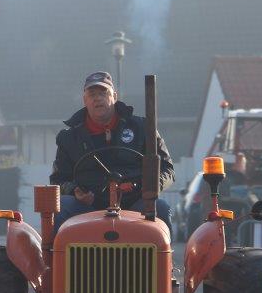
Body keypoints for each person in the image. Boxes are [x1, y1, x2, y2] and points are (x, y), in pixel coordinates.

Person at [50, 71, 175, 232]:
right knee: (62, 208)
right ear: (85, 100)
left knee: (161, 209)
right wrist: (75, 191)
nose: (97, 98)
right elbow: (58, 180)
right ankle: (60, 257)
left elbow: (167, 168)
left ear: (114, 96)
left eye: (103, 92)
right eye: (92, 94)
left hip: (135, 204)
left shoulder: (143, 128)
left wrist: (150, 187)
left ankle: (158, 256)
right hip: (88, 207)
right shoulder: (68, 138)